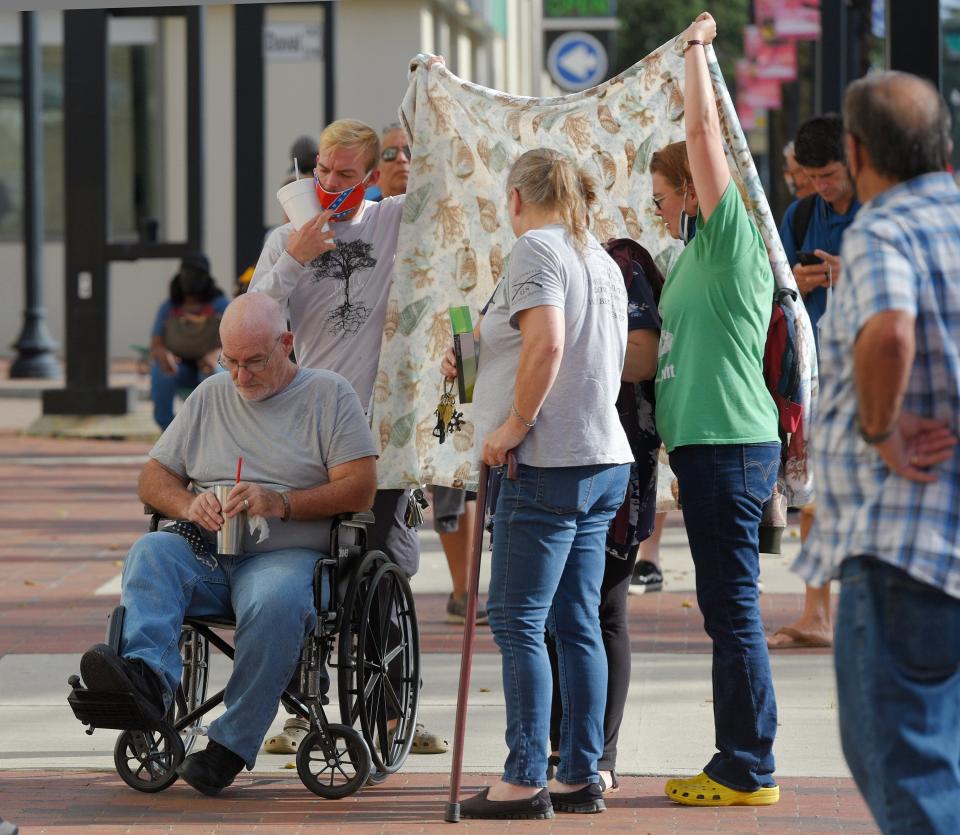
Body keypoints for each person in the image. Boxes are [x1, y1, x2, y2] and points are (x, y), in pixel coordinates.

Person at [79, 293, 379, 796]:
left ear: (287, 344)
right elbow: (152, 479)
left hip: (288, 554)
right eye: (231, 362)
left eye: (254, 362)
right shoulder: (210, 394)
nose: (240, 377)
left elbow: (360, 487)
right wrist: (185, 505)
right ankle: (146, 681)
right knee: (150, 553)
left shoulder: (329, 394)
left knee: (273, 599)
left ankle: (230, 745)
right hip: (208, 551)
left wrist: (280, 501)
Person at [248, 117, 447, 756]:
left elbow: (444, 183)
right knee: (300, 572)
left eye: (345, 175)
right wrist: (292, 262)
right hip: (304, 434)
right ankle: (304, 710)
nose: (330, 184)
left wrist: (429, 100)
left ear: (369, 178)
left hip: (379, 435)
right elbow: (251, 324)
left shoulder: (389, 221)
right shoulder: (286, 237)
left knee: (381, 565)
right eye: (321, 173)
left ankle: (390, 715)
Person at [794, 70, 960, 834]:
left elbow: (890, 330)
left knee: (906, 769)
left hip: (903, 539)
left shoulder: (882, 228)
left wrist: (879, 429)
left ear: (857, 153)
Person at [443, 148, 632, 820]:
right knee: (576, 619)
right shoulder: (599, 257)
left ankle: (526, 774)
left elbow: (548, 342)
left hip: (547, 458)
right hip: (601, 455)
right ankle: (582, 770)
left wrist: (514, 423)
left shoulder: (536, 250)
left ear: (517, 199)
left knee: (519, 621)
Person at [651, 13, 781, 807]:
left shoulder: (729, 238)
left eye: (663, 195)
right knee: (721, 607)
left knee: (732, 608)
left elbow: (705, 132)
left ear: (697, 191)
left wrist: (697, 52)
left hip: (731, 444)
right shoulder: (691, 256)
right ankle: (740, 754)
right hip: (706, 449)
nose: (659, 208)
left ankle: (748, 764)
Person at [547, 237, 662, 793]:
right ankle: (558, 747)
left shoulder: (619, 264)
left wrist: (568, 351)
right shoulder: (530, 261)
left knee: (601, 608)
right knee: (547, 615)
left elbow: (644, 354)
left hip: (614, 458)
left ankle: (596, 754)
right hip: (543, 458)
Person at [768, 114, 861, 651]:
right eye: (812, 176)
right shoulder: (802, 216)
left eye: (829, 175)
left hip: (875, 375)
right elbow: (773, 288)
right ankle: (817, 614)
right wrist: (795, 283)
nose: (822, 187)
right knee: (817, 498)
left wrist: (858, 271)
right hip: (818, 378)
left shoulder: (884, 210)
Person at [148, 253, 229, 430]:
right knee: (160, 370)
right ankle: (168, 430)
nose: (190, 278)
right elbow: (156, 344)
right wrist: (164, 355)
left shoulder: (220, 305)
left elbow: (234, 338)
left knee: (214, 375)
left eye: (197, 274)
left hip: (208, 364)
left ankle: (211, 429)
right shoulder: (169, 307)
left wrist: (216, 355)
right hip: (179, 367)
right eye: (186, 273)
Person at [365, 123, 412, 202]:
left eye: (409, 151)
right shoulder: (367, 213)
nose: (401, 158)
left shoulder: (439, 211)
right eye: (389, 153)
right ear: (374, 174)